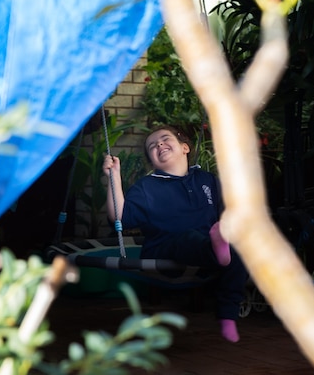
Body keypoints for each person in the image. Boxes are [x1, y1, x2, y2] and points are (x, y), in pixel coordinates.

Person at [102, 124, 248, 343]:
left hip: (205, 249)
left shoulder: (207, 180)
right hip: (164, 249)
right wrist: (114, 176)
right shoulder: (147, 187)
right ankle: (215, 248)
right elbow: (119, 218)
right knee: (189, 238)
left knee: (241, 250)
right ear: (152, 161)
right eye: (152, 145)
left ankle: (227, 316)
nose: (159, 144)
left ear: (185, 148)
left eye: (165, 139)